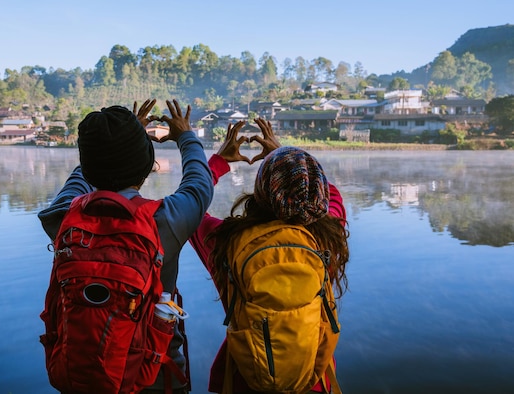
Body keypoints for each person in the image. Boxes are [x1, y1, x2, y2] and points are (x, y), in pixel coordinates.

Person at [38, 99, 214, 394]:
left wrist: (108, 142)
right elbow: (200, 183)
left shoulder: (62, 217)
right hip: (154, 378)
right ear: (147, 164)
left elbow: (84, 174)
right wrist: (185, 135)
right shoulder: (165, 221)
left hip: (79, 374)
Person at [189, 119, 350, 393]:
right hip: (313, 377)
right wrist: (284, 151)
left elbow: (190, 205)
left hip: (245, 375)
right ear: (317, 190)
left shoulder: (226, 240)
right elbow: (332, 197)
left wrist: (217, 162)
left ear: (262, 190)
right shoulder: (327, 236)